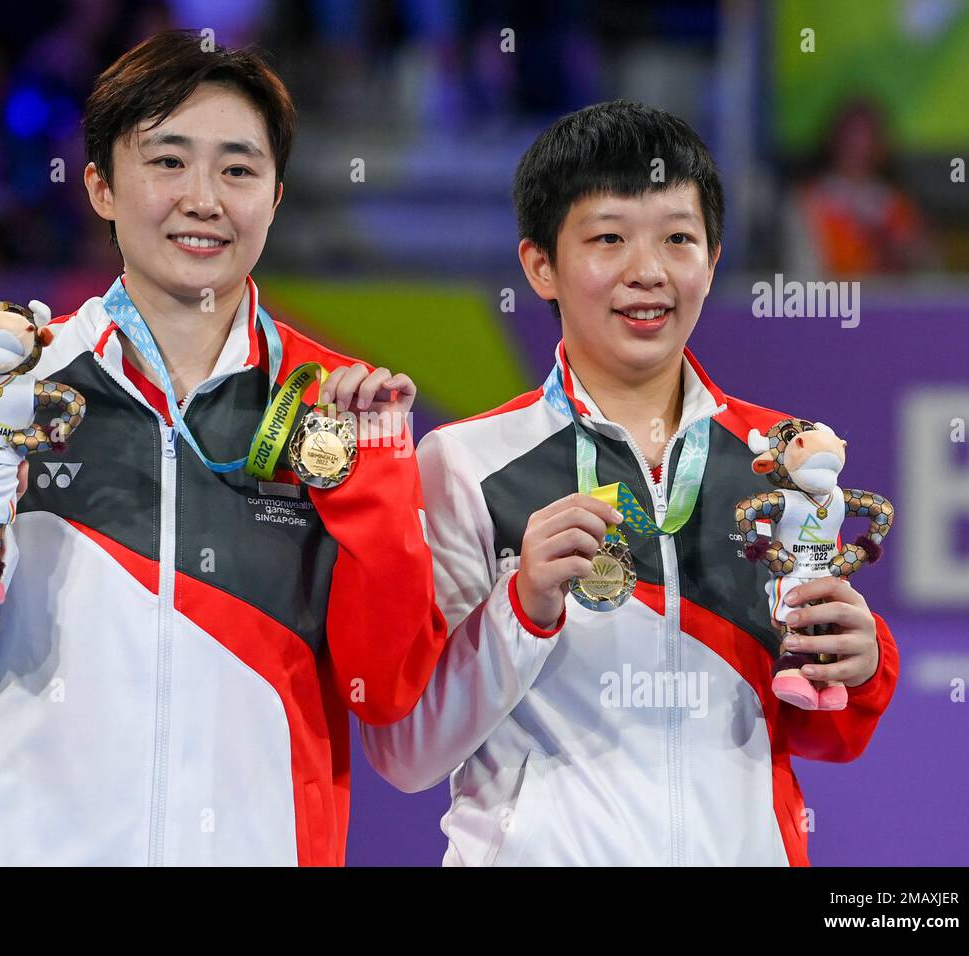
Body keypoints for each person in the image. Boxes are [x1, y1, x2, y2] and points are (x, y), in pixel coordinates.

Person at [0, 29, 447, 866]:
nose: (203, 198)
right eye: (167, 161)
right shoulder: (5, 386)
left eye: (238, 168)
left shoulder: (340, 405)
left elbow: (389, 690)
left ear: (277, 196)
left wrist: (375, 484)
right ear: (101, 186)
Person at [360, 100, 899, 866]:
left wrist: (862, 663)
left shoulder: (782, 459)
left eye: (678, 239)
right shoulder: (465, 464)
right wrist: (522, 609)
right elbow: (407, 753)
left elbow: (824, 729)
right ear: (540, 264)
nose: (647, 272)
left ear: (713, 261)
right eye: (608, 238)